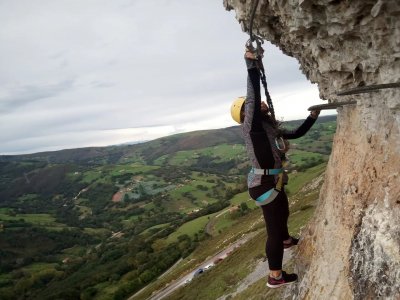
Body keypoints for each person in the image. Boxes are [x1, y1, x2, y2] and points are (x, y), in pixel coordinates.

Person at [230, 48, 320, 288]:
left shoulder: (269, 130)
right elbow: (253, 97)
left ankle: (287, 239)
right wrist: (251, 66)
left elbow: (296, 134)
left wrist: (312, 118)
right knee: (273, 230)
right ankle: (275, 276)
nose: (260, 104)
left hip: (272, 182)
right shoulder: (252, 128)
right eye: (253, 105)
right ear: (247, 113)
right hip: (263, 186)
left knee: (284, 215)